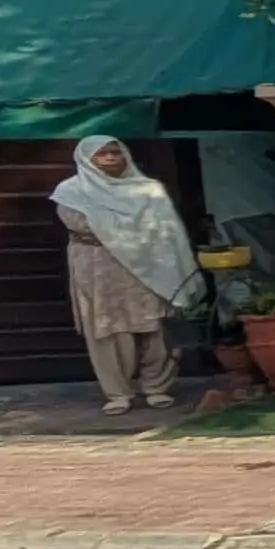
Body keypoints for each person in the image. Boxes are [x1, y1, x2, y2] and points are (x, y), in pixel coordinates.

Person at [52, 135, 199, 413]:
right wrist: (133, 230)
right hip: (99, 267)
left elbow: (167, 229)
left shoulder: (148, 190)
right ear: (86, 159)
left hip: (150, 266)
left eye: (115, 153)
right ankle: (118, 393)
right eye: (102, 154)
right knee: (109, 327)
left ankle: (157, 387)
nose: (110, 158)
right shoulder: (72, 192)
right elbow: (82, 224)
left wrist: (135, 234)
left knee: (156, 323)